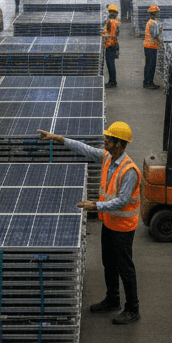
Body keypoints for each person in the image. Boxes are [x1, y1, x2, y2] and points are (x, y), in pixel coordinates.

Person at [37, 121, 140, 325]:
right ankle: (113, 299)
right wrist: (57, 138)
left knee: (125, 268)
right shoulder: (108, 157)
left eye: (109, 139)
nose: (105, 141)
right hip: (109, 223)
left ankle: (133, 308)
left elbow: (123, 200)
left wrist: (95, 205)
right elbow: (84, 149)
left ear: (119, 144)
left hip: (123, 227)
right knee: (108, 264)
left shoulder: (129, 171)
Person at [142, 5, 161, 90]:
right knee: (151, 65)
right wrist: (160, 32)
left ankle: (147, 82)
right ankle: (149, 83)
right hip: (151, 46)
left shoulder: (149, 22)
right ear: (155, 13)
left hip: (148, 46)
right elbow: (155, 35)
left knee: (148, 65)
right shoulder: (153, 23)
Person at [103, 5, 120, 89]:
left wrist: (103, 35)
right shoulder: (116, 22)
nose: (110, 13)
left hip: (110, 45)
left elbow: (109, 34)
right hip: (114, 44)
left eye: (111, 12)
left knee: (110, 64)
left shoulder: (110, 22)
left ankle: (112, 82)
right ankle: (112, 81)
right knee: (111, 64)